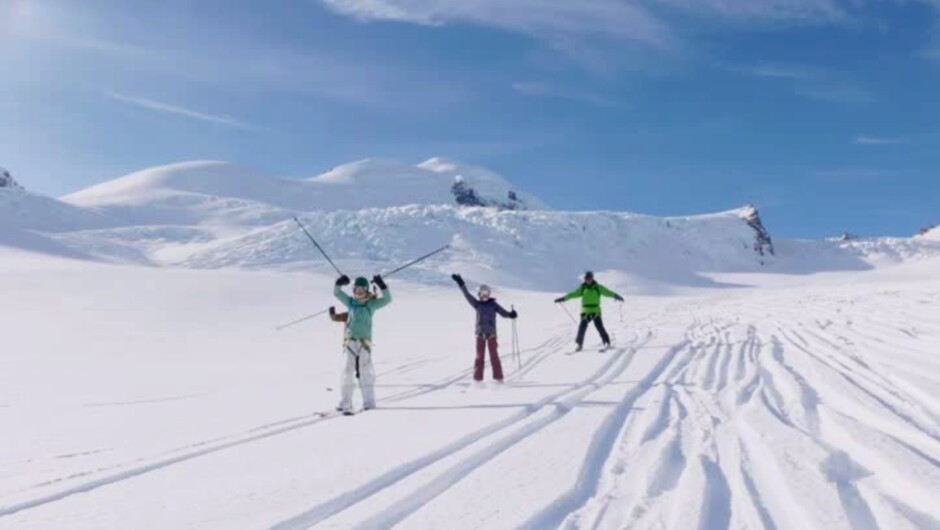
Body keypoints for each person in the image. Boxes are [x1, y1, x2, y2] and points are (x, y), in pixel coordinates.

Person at [334, 274, 392, 414]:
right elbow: (337, 293)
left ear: (366, 290)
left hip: (364, 343)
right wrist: (339, 283)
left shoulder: (371, 304)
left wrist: (382, 285)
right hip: (350, 342)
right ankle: (345, 402)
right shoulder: (350, 302)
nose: (359, 293)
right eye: (356, 290)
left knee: (365, 372)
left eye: (362, 290)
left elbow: (388, 299)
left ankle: (369, 403)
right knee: (347, 370)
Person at [451, 274, 518, 382]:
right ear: (479, 294)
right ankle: (477, 381)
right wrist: (461, 283)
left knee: (494, 356)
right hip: (480, 335)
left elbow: (503, 313)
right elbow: (467, 295)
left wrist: (511, 314)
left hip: (491, 334)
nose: (485, 296)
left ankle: (498, 379)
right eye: (483, 293)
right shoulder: (477, 304)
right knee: (479, 358)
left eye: (487, 293)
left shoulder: (493, 305)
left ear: (489, 294)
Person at [555, 271, 623, 351]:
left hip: (596, 311)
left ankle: (606, 342)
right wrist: (563, 298)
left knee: (599, 327)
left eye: (589, 279)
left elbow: (607, 292)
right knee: (582, 327)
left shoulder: (598, 287)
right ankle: (579, 344)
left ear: (592, 278)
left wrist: (616, 296)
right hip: (585, 311)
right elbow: (573, 294)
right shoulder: (582, 288)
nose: (588, 280)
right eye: (586, 279)